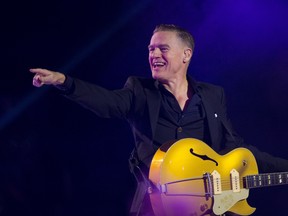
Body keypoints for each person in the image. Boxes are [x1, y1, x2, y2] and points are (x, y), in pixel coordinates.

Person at [30, 24, 288, 216]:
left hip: (206, 208)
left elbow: (236, 148)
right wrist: (65, 82)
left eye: (163, 48)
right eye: (151, 49)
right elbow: (107, 102)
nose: (154, 54)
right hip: (156, 208)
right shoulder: (139, 91)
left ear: (186, 55)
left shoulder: (212, 96)